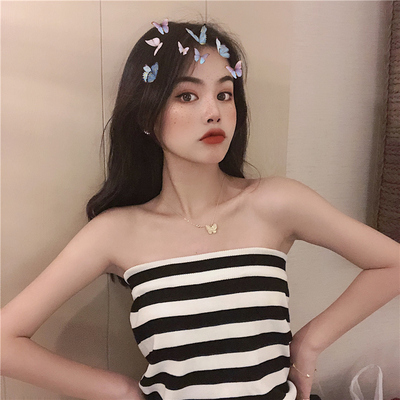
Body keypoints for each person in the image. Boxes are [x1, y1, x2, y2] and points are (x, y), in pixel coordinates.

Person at [1, 20, 399, 400]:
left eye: (224, 94)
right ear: (146, 115)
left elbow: (391, 263)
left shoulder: (275, 202)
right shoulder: (116, 231)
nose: (214, 112)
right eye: (186, 96)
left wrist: (309, 342)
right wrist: (121, 391)